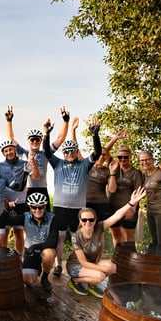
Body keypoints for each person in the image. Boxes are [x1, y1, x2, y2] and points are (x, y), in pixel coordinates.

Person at [46, 115, 103, 278]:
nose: (70, 153)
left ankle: (79, 264)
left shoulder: (84, 164)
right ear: (63, 153)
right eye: (67, 151)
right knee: (60, 238)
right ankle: (58, 265)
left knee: (78, 239)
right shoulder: (58, 164)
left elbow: (97, 152)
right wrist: (47, 133)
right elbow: (46, 151)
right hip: (60, 207)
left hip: (78, 209)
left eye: (73, 151)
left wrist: (95, 135)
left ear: (76, 152)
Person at [67, 187, 147, 297]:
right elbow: (84, 263)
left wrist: (131, 203)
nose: (88, 222)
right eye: (84, 220)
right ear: (80, 221)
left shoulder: (99, 227)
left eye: (91, 220)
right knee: (100, 276)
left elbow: (117, 215)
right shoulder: (76, 236)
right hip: (76, 265)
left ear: (95, 220)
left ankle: (91, 283)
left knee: (112, 267)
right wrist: (102, 269)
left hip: (92, 263)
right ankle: (75, 280)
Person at [21, 192, 59, 295]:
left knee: (50, 253)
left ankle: (45, 278)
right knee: (28, 281)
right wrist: (8, 208)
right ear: (30, 207)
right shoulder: (25, 216)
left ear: (45, 206)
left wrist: (35, 246)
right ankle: (37, 267)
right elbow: (6, 221)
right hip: (31, 252)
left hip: (43, 249)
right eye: (34, 207)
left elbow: (53, 241)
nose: (37, 210)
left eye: (40, 207)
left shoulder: (52, 218)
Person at [107, 145, 145, 244]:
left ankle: (129, 259)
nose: (123, 159)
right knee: (116, 237)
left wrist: (132, 209)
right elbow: (111, 190)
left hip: (129, 209)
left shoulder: (136, 173)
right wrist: (112, 173)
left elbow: (139, 193)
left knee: (129, 239)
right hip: (113, 209)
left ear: (130, 157)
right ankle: (117, 259)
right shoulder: (113, 169)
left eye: (125, 157)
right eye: (120, 157)